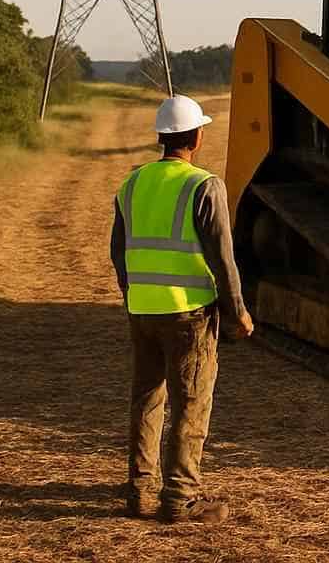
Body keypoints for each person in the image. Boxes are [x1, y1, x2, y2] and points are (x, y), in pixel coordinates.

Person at [110, 94, 254, 524]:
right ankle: (180, 497)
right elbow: (222, 259)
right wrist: (237, 312)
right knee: (191, 404)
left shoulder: (132, 184)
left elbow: (118, 252)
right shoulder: (203, 185)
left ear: (162, 137)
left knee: (147, 399)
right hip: (189, 313)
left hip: (143, 309)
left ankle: (140, 493)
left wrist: (134, 294)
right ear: (197, 137)